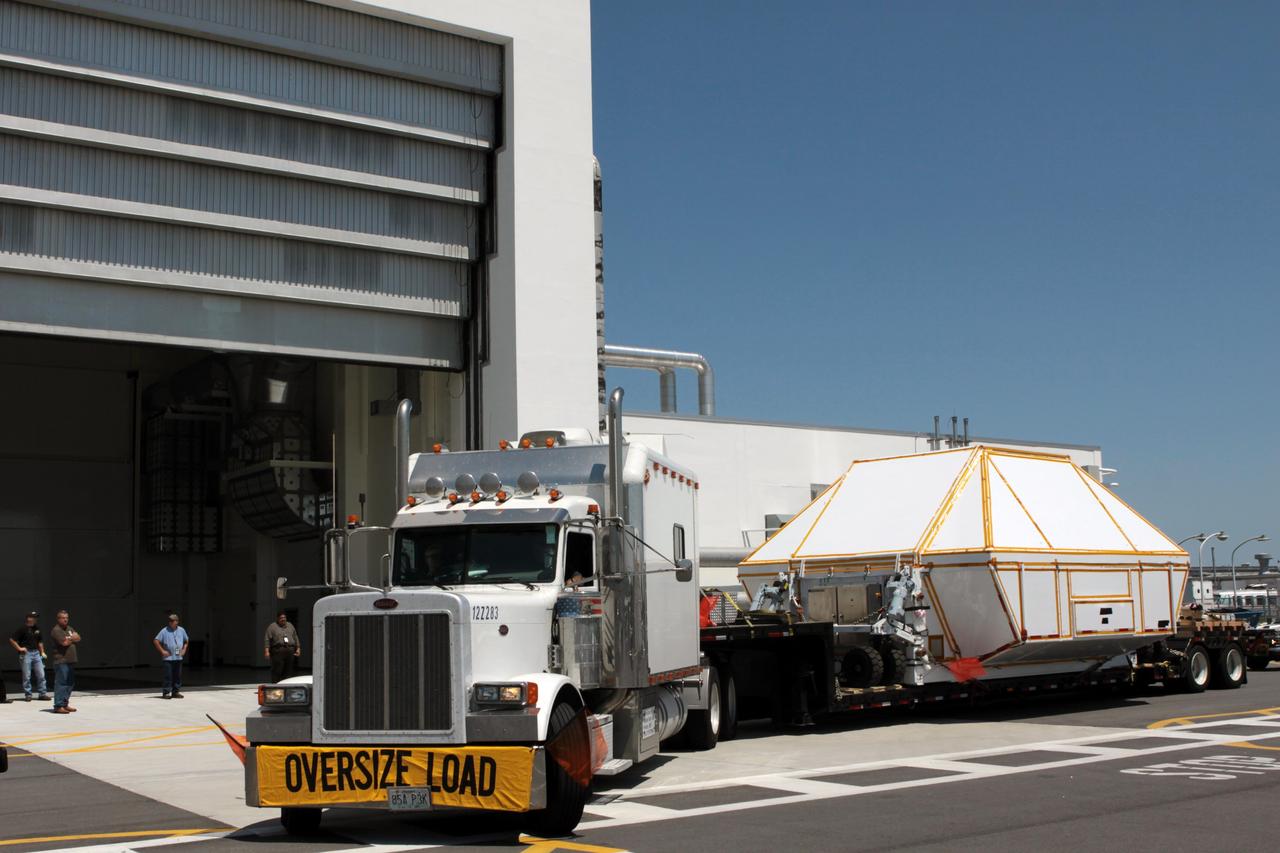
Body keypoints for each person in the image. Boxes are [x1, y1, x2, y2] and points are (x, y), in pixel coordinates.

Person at [9, 612, 49, 702]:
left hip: (36, 653)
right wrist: (19, 648)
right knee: (27, 675)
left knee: (41, 674)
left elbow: (40, 642)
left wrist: (42, 652)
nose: (35, 619)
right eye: (34, 617)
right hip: (26, 654)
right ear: (28, 618)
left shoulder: (37, 629)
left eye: (36, 618)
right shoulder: (22, 629)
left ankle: (42, 694)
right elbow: (12, 639)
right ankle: (28, 694)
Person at [49, 610, 81, 714]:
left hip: (71, 661)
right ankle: (58, 706)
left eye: (67, 617)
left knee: (70, 683)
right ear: (58, 619)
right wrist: (73, 638)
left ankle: (64, 704)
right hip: (61, 661)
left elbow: (79, 638)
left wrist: (72, 638)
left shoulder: (69, 628)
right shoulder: (56, 630)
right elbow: (64, 643)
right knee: (61, 684)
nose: (65, 619)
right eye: (63, 618)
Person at [152, 614, 189, 699]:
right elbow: (156, 641)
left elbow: (186, 640)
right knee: (168, 676)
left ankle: (175, 692)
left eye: (174, 621)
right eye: (171, 621)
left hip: (178, 657)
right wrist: (162, 651)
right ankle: (166, 692)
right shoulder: (164, 631)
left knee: (178, 676)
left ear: (177, 621)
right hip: (168, 658)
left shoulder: (181, 630)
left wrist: (184, 649)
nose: (173, 622)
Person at [263, 612, 301, 683]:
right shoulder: (272, 626)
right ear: (277, 619)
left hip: (290, 650)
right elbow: (267, 639)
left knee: (288, 670)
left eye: (284, 618)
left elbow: (295, 637)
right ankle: (275, 686)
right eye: (281, 618)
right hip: (278, 650)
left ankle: (285, 686)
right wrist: (267, 651)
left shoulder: (290, 625)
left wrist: (298, 648)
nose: (283, 619)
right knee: (277, 670)